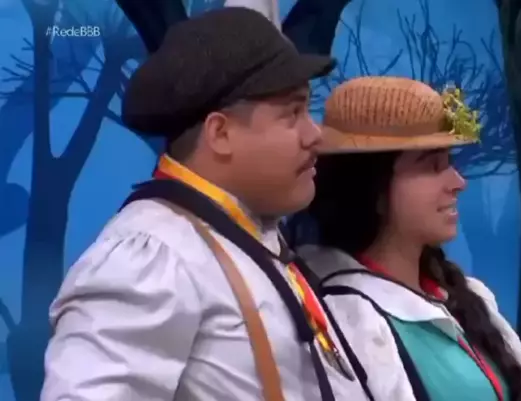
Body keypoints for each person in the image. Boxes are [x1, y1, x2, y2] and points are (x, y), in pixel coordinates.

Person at [41, 7, 373, 401]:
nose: (314, 134)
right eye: (292, 113)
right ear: (220, 133)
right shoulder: (156, 255)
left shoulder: (246, 240)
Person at [292, 76, 521, 401]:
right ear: (373, 188)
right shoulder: (345, 316)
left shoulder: (466, 296)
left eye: (449, 162)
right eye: (433, 166)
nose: (458, 182)